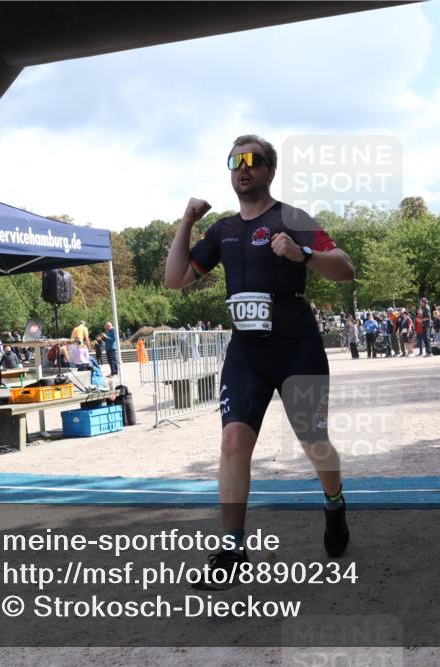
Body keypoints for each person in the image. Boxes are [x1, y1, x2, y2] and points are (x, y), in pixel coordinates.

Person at [163, 134, 355, 588]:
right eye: (235, 160)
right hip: (246, 353)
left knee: (314, 441)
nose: (242, 167)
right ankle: (232, 549)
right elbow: (175, 279)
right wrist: (187, 221)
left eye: (252, 160)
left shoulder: (292, 218)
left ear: (270, 169)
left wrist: (302, 254)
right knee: (232, 442)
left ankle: (334, 501)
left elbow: (345, 267)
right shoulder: (223, 230)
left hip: (296, 348)